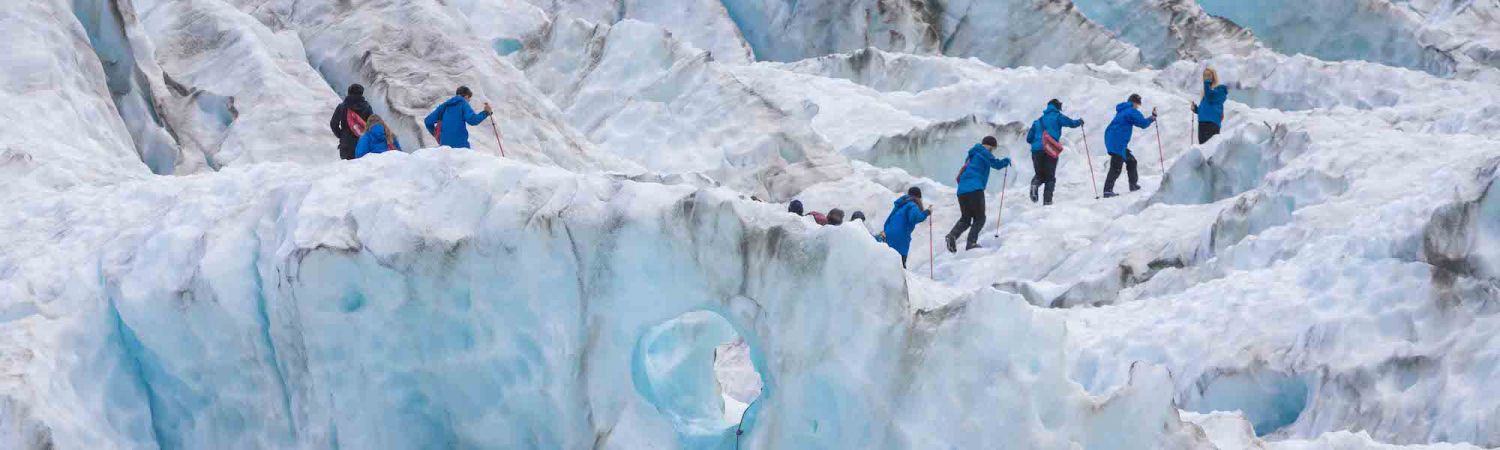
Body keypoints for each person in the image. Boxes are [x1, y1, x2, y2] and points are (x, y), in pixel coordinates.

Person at [945, 136, 1012, 252]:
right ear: (990, 146)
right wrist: (1006, 161)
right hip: (975, 188)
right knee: (980, 218)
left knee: (965, 219)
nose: (992, 151)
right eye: (993, 149)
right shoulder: (984, 152)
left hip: (962, 190)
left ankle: (952, 236)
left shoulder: (971, 155)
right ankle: (971, 243)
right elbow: (996, 164)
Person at [1027, 99, 1083, 205]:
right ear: (1057, 107)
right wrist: (1079, 122)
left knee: (1039, 174)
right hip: (1050, 149)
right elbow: (1071, 123)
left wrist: (1038, 142)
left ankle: (1035, 184)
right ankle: (1047, 201)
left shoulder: (1038, 121)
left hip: (1036, 151)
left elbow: (1029, 138)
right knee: (1050, 177)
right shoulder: (1057, 116)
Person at [1102, 94, 1157, 197]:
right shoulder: (1131, 111)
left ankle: (1133, 185)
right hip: (1117, 142)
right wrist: (1152, 118)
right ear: (1135, 102)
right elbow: (1142, 123)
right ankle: (1107, 191)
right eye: (1138, 104)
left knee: (1131, 161)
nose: (1138, 106)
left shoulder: (1123, 110)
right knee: (1116, 167)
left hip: (1114, 140)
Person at [424, 86, 493, 149]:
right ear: (466, 96)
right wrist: (486, 112)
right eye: (469, 99)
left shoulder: (445, 105)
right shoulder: (463, 103)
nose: (469, 101)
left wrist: (437, 135)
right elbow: (472, 120)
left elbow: (427, 121)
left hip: (444, 147)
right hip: (460, 146)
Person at [881, 187, 932, 267]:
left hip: (888, 234)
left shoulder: (901, 205)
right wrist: (927, 212)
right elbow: (914, 218)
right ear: (918, 197)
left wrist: (885, 231)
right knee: (900, 265)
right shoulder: (912, 205)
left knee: (888, 262)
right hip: (900, 238)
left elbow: (889, 219)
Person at [330, 84, 373, 160]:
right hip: (362, 143)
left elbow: (333, 124)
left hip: (346, 144)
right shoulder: (367, 107)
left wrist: (341, 135)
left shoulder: (342, 107)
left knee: (347, 169)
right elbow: (372, 125)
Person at [1192, 68, 1228, 144]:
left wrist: (1207, 83)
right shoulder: (1206, 92)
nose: (1206, 77)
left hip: (1212, 124)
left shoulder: (1220, 90)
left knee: (1210, 149)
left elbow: (1210, 97)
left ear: (1213, 76)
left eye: (1208, 75)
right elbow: (1206, 109)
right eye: (1204, 76)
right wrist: (1196, 109)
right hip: (1202, 123)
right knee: (1203, 148)